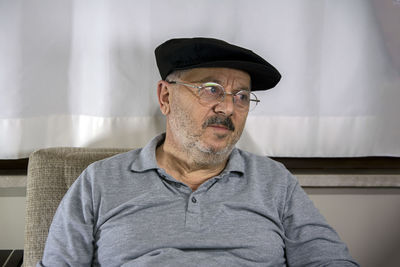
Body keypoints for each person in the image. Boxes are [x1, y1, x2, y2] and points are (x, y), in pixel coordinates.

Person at [38, 37, 359, 266]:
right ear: (165, 97)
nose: (228, 107)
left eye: (242, 96)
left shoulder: (274, 181)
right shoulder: (100, 181)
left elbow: (329, 260)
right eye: (211, 89)